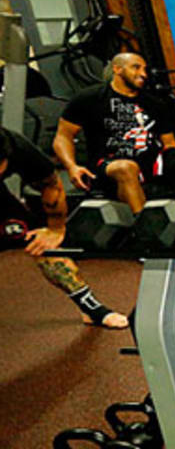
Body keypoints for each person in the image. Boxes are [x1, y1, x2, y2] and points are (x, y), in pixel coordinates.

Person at [54, 53, 175, 213]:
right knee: (127, 167)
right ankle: (142, 223)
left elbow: (170, 143)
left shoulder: (155, 103)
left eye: (144, 69)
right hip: (109, 162)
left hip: (151, 160)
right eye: (136, 67)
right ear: (117, 69)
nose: (143, 74)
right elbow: (63, 137)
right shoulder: (90, 98)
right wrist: (72, 167)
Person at [0, 128, 128, 329]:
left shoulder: (20, 149)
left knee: (42, 244)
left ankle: (91, 308)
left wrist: (55, 229)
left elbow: (51, 185)